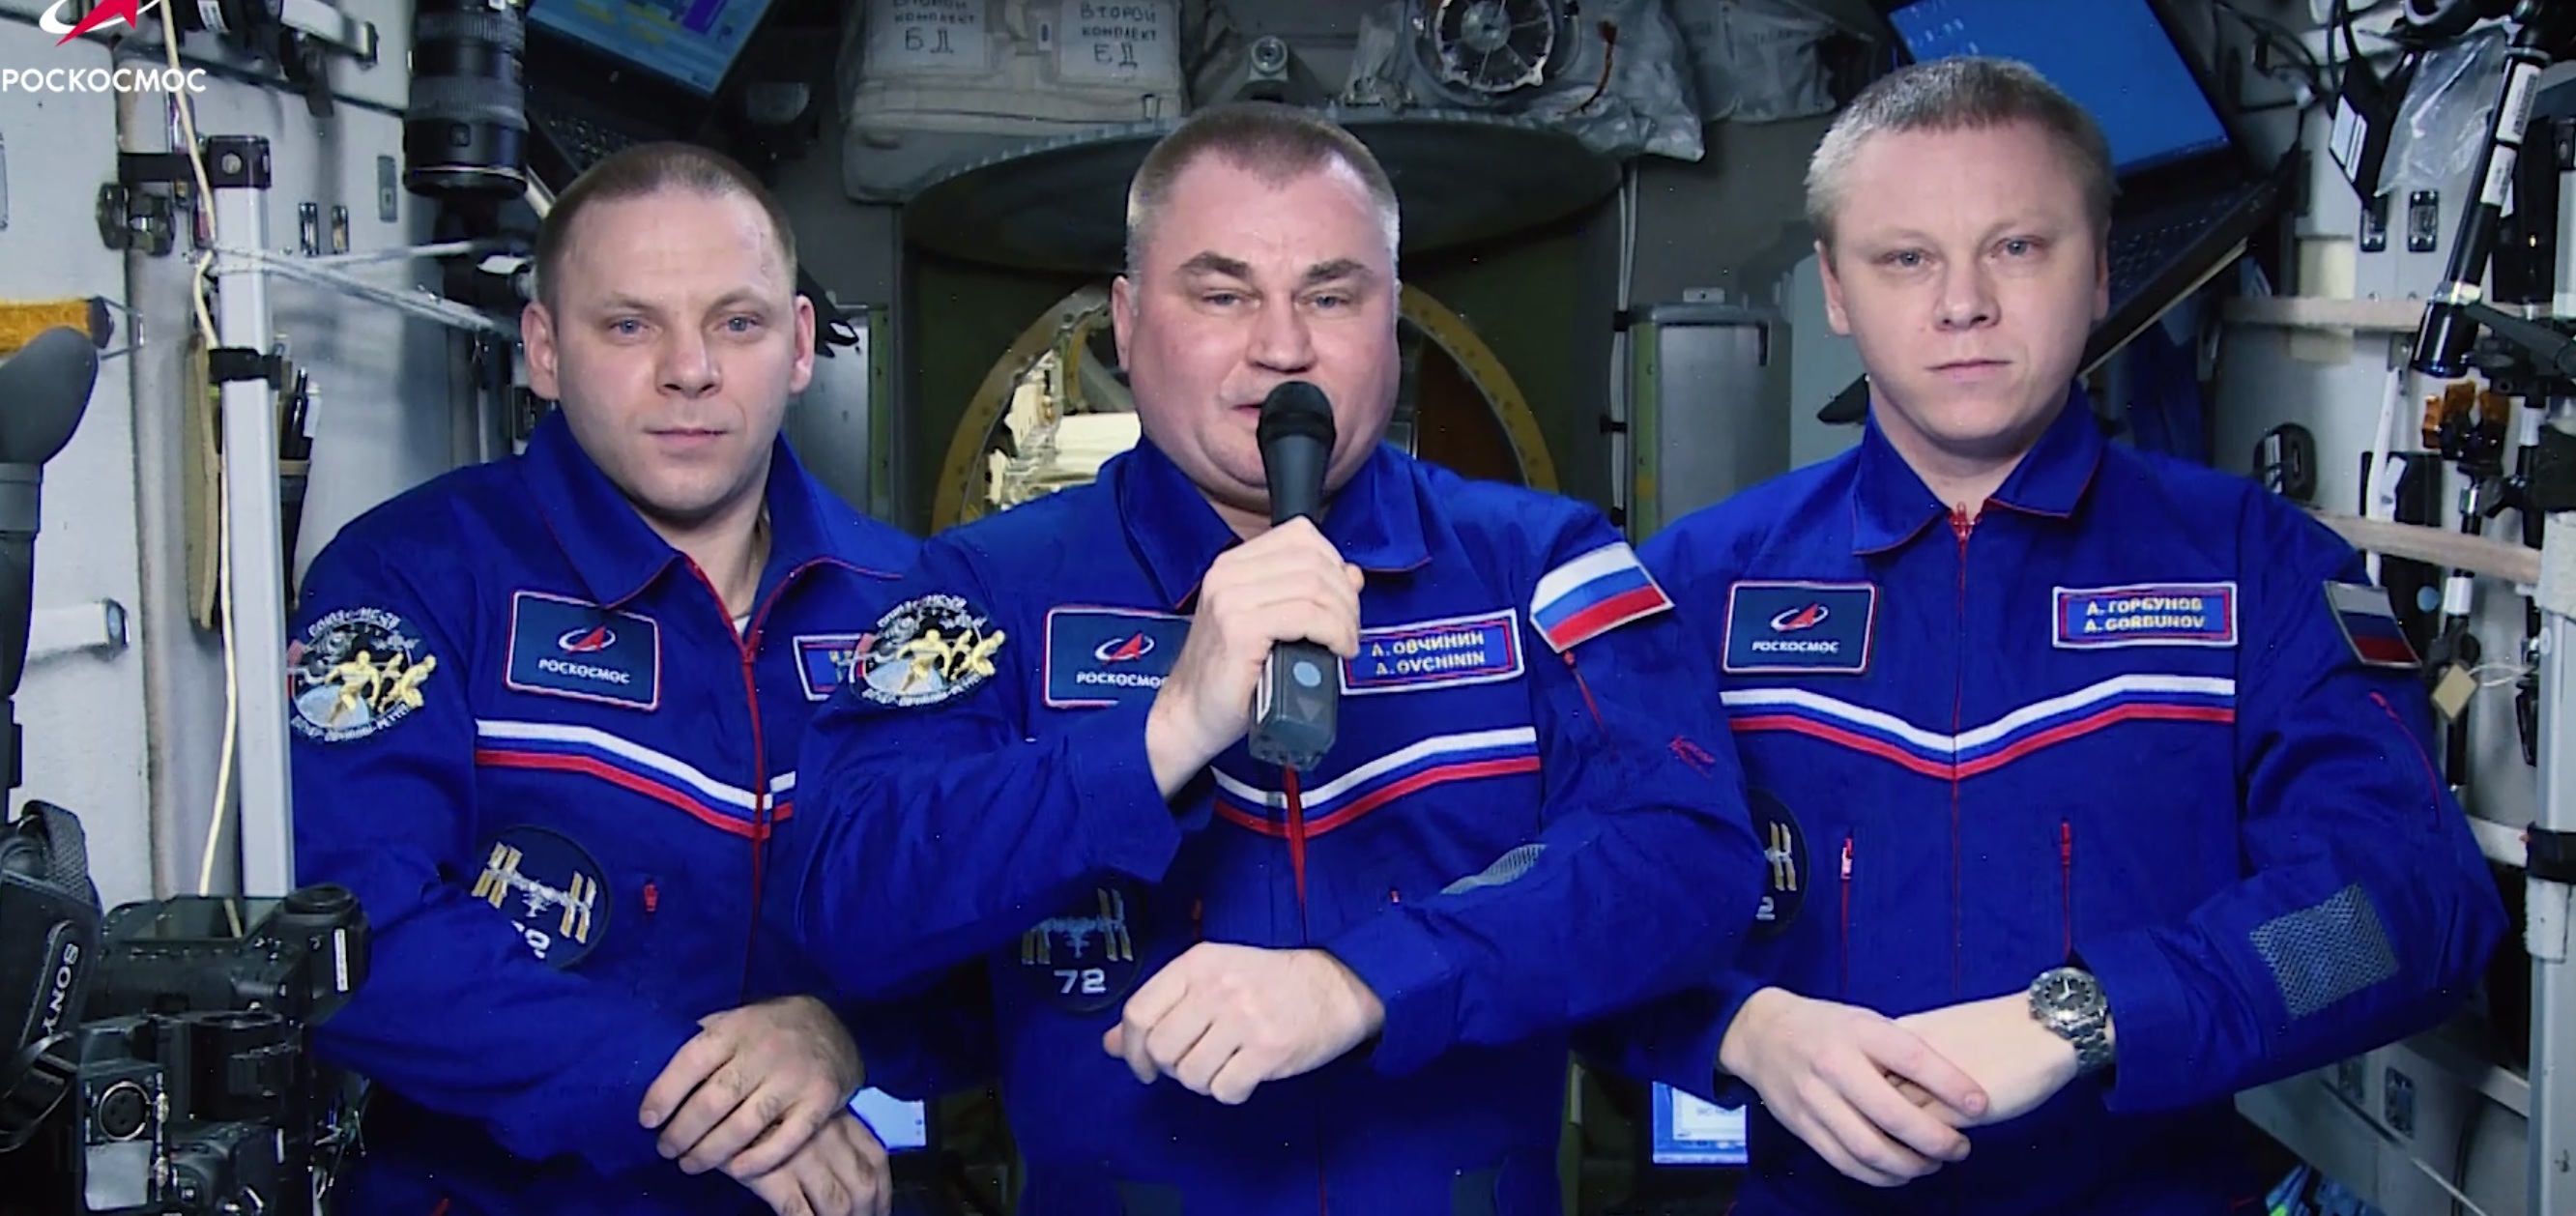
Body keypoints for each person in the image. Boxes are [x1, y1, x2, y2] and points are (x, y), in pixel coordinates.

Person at [766, 101, 1767, 1214]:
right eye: (1222, 295)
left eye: (1330, 296)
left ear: (1391, 320)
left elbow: (1687, 858)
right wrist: (1160, 736)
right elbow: (843, 901)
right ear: (1127, 324)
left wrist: (1365, 982)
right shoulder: (978, 588)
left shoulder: (1542, 562)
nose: (1281, 346)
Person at [1618, 56, 2509, 1214]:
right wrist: (1742, 1026)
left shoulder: (2257, 568)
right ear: (1836, 290)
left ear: (2097, 270)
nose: (1962, 303)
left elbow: (2407, 904)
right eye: (1905, 258)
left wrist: (2092, 1014)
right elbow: (1565, 911)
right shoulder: (1697, 587)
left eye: (2016, 246)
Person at [289, 143, 963, 1216]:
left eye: (735, 322)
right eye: (628, 325)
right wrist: (691, 1092)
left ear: (798, 345)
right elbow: (360, 931)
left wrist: (842, 1034)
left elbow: (995, 927)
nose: (689, 370)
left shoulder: (914, 609)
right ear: (544, 351)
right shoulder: (412, 578)